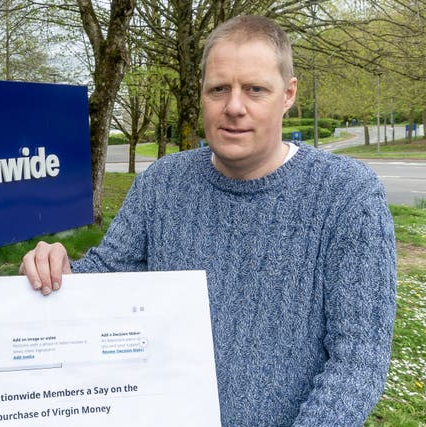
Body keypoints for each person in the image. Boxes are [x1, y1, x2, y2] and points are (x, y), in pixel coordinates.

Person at [20, 15, 396, 427]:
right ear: (201, 94)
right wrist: (57, 267)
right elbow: (108, 273)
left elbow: (358, 361)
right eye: (219, 89)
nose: (234, 107)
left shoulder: (348, 196)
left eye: (255, 89)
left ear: (288, 95)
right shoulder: (162, 184)